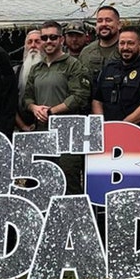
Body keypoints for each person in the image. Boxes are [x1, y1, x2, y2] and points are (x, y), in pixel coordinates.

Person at [24, 21, 91, 193]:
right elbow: (27, 97)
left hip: (68, 133)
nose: (48, 41)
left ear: (61, 39)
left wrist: (51, 111)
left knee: (69, 182)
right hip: (42, 132)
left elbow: (80, 96)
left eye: (53, 37)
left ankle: (74, 219)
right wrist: (34, 108)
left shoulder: (73, 65)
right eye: (44, 38)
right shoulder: (36, 68)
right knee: (41, 183)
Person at [92, 28, 140, 126]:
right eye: (122, 43)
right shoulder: (108, 68)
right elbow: (97, 100)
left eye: (130, 43)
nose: (125, 47)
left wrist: (124, 125)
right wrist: (101, 124)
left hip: (139, 130)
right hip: (109, 130)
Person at [15, 29, 45, 131]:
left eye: (37, 42)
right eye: (29, 42)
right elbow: (8, 104)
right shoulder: (15, 72)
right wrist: (23, 126)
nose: (33, 45)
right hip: (23, 129)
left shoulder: (54, 70)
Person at [79, 5, 120, 76]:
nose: (103, 24)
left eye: (108, 20)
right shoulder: (86, 53)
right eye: (100, 21)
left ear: (119, 25)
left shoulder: (130, 50)